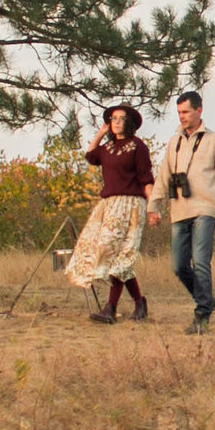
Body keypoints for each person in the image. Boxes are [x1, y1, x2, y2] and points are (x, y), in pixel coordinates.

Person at [150, 90, 215, 333]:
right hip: (179, 210)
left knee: (201, 260)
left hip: (205, 209)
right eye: (178, 112)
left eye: (185, 111)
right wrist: (153, 206)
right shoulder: (174, 142)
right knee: (179, 266)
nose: (181, 116)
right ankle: (207, 300)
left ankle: (201, 315)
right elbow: (163, 176)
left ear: (199, 111)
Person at [64, 104, 154, 323]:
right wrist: (101, 133)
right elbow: (90, 156)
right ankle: (138, 303)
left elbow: (146, 178)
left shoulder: (137, 146)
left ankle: (111, 308)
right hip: (110, 205)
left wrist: (153, 208)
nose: (116, 122)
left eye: (121, 119)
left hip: (131, 205)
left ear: (129, 122)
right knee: (113, 255)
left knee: (118, 255)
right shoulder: (107, 148)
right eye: (113, 118)